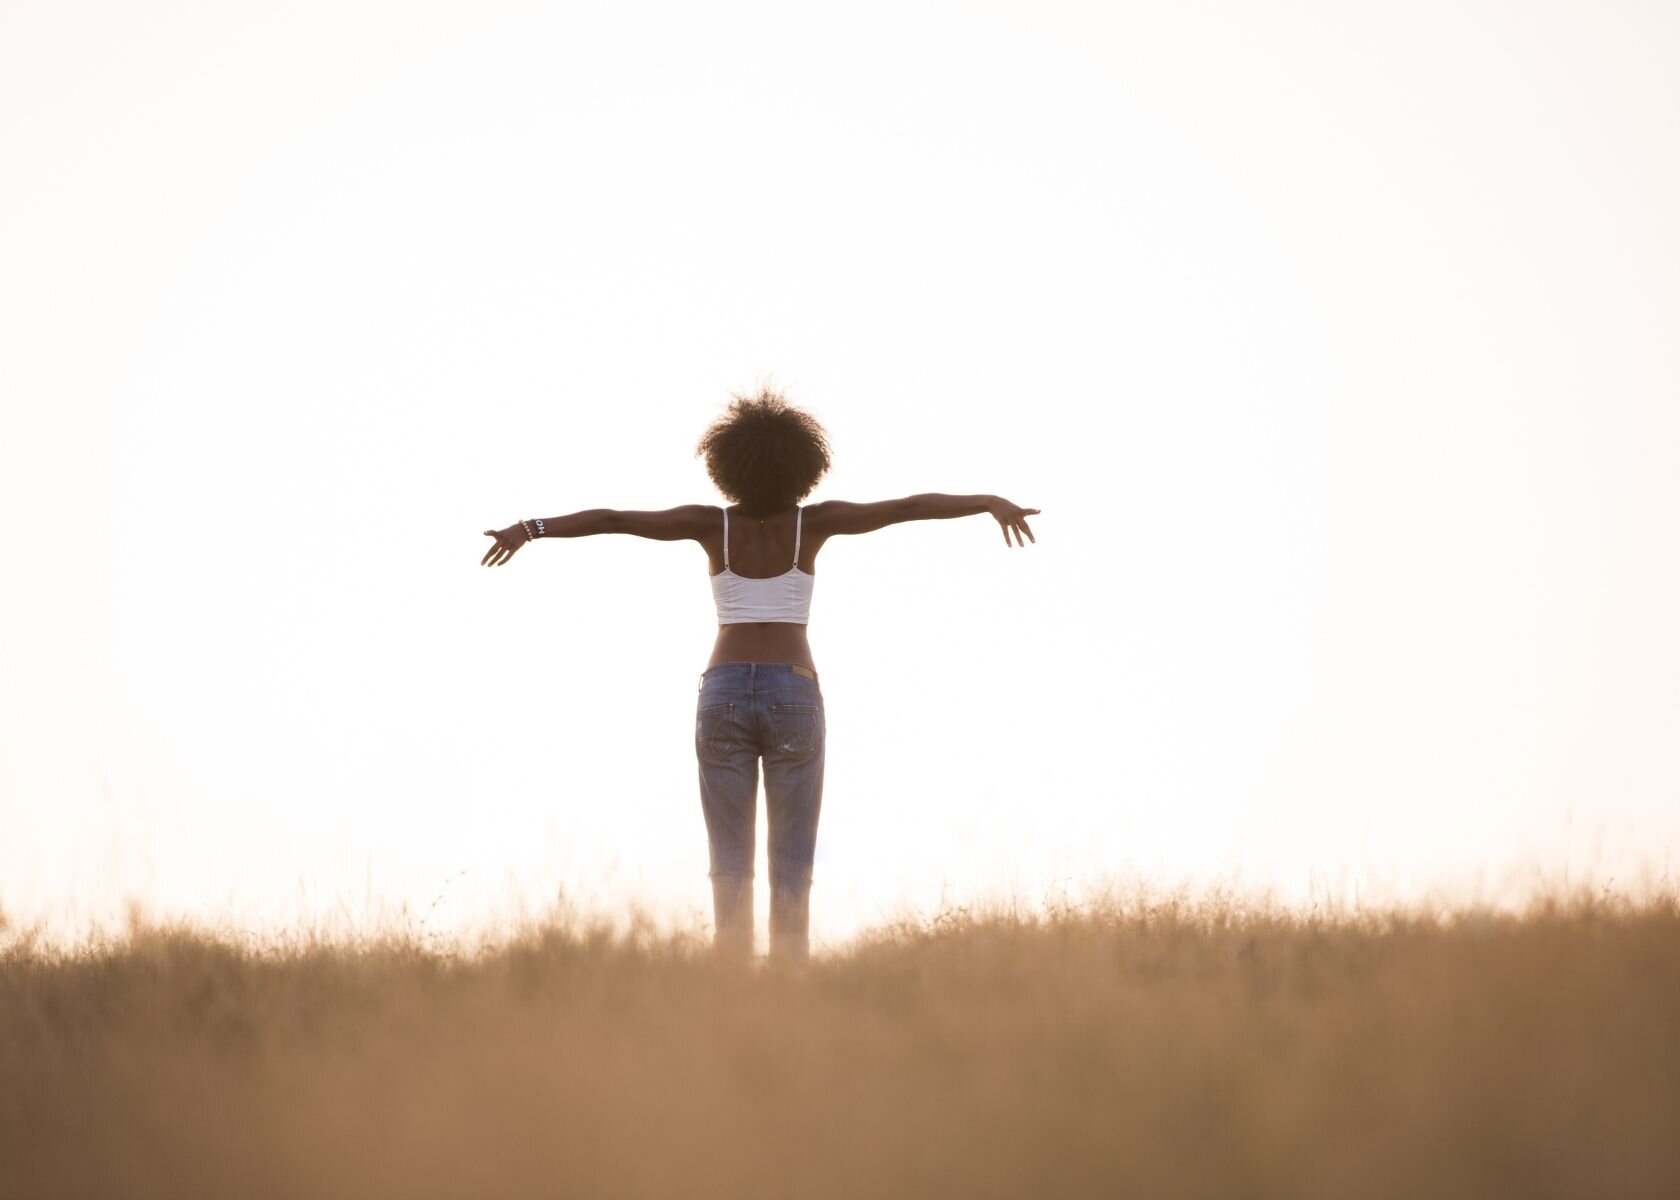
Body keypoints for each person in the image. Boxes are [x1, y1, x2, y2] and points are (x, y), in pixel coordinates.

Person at [481, 388, 1038, 962]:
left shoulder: (709, 524)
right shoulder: (815, 523)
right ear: (802, 465)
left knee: (730, 859)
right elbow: (905, 508)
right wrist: (987, 501)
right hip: (794, 688)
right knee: (792, 858)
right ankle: (788, 982)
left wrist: (533, 527)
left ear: (729, 465)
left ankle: (731, 977)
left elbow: (616, 519)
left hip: (722, 692)